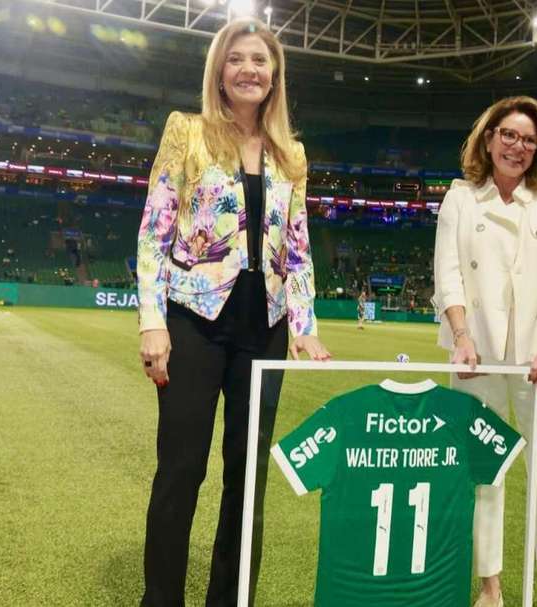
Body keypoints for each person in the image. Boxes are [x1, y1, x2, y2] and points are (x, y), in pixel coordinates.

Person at [136, 18, 330, 607]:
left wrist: (305, 327)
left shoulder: (290, 153)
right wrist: (152, 321)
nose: (250, 69)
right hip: (193, 320)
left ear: (275, 77)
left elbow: (297, 249)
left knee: (247, 482)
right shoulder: (186, 133)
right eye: (237, 59)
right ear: (219, 71)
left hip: (263, 328)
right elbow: (154, 232)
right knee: (181, 471)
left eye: (261, 61)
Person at [433, 96, 537, 607]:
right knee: (484, 469)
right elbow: (449, 278)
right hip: (474, 358)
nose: (518, 146)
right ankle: (490, 588)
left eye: (529, 139)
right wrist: (461, 337)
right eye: (509, 134)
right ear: (488, 137)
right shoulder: (460, 199)